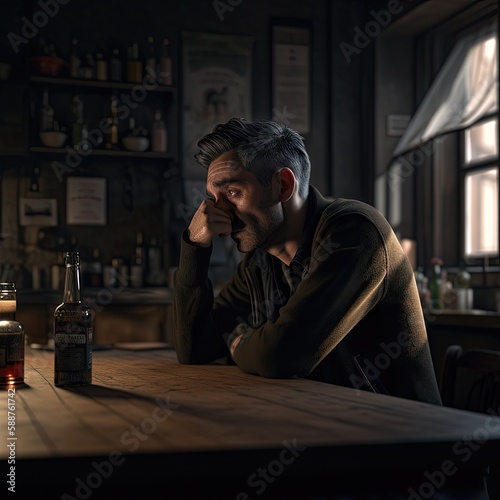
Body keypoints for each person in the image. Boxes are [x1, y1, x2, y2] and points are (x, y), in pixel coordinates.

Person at [172, 117, 442, 405]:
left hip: (404, 435)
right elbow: (195, 349)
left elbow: (281, 357)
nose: (218, 212)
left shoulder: (354, 232)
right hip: (327, 425)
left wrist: (240, 345)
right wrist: (195, 246)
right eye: (214, 197)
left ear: (283, 186)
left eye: (233, 192)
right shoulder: (259, 262)